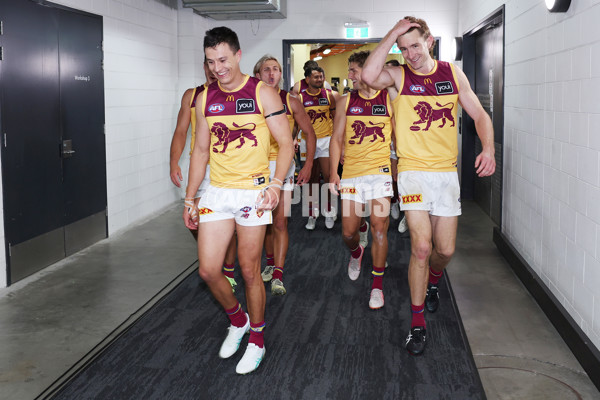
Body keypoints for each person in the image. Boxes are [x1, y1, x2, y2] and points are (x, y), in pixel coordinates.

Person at [362, 16, 496, 355]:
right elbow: (367, 75)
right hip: (412, 172)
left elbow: (479, 114)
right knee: (422, 246)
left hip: (445, 174)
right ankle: (417, 323)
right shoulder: (397, 77)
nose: (410, 54)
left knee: (444, 251)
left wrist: (489, 148)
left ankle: (433, 283)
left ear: (430, 41)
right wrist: (391, 33)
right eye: (403, 49)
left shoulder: (452, 74)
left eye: (415, 46)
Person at [183, 26, 294, 374]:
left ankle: (257, 339)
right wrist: (189, 198)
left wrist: (276, 184)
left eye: (223, 59)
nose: (218, 67)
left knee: (249, 271)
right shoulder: (203, 99)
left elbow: (287, 143)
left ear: (238, 55)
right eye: (211, 61)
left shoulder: (263, 93)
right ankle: (238, 319)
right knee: (208, 270)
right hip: (217, 190)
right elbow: (200, 150)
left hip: (254, 191)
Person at [329, 50, 394, 309]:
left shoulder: (389, 98)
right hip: (353, 174)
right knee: (348, 232)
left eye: (354, 71)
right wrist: (334, 172)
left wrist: (398, 166)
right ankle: (357, 252)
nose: (350, 76)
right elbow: (336, 139)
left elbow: (398, 137)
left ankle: (377, 286)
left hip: (379, 173)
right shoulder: (346, 101)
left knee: (380, 227)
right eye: (350, 71)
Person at [168, 62, 238, 292]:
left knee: (225, 220)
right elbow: (181, 130)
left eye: (217, 64)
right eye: (208, 64)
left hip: (225, 168)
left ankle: (227, 269)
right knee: (195, 221)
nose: (212, 69)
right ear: (204, 68)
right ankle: (214, 255)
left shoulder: (233, 93)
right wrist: (174, 162)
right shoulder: (193, 95)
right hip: (199, 167)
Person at [252, 55, 317, 295]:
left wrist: (308, 164)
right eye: (266, 69)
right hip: (255, 168)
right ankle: (269, 263)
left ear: (281, 74)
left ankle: (278, 273)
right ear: (257, 75)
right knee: (262, 222)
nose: (271, 73)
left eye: (276, 69)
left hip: (283, 166)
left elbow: (310, 133)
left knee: (280, 222)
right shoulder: (250, 100)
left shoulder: (291, 101)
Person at [299, 66, 337, 230]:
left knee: (328, 177)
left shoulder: (329, 95)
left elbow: (335, 119)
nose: (320, 80)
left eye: (321, 77)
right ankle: (312, 213)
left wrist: (338, 141)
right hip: (307, 141)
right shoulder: (300, 98)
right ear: (307, 79)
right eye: (316, 77)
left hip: (326, 140)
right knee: (311, 179)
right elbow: (296, 122)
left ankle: (330, 210)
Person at [384, 58, 408, 234]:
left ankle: (408, 211)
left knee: (406, 179)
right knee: (394, 178)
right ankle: (394, 202)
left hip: (408, 144)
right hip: (389, 144)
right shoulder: (381, 93)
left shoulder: (405, 92)